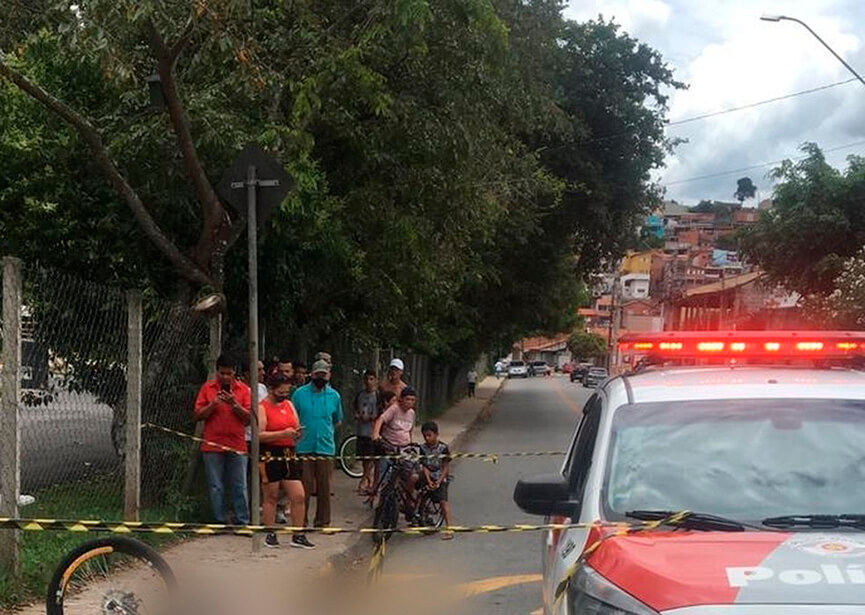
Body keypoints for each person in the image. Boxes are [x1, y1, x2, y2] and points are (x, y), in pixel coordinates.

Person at [258, 373, 315, 550]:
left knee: (298, 495)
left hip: (289, 451)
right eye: (280, 392)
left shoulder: (289, 404)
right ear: (271, 389)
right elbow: (259, 434)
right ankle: (270, 533)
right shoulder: (262, 407)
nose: (284, 396)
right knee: (271, 495)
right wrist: (282, 434)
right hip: (269, 452)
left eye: (286, 392)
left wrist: (297, 434)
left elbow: (295, 426)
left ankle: (298, 534)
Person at [193, 354, 251, 525]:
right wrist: (213, 404)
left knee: (239, 485)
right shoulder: (208, 388)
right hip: (212, 445)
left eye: (229, 373)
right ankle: (220, 521)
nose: (225, 377)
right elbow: (197, 415)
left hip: (237, 444)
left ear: (234, 372)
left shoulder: (243, 390)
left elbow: (249, 419)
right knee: (216, 486)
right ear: (217, 372)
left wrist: (235, 404)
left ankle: (242, 521)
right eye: (222, 373)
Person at [292, 359, 342, 528]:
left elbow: (337, 420)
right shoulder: (299, 394)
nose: (321, 377)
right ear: (312, 375)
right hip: (304, 446)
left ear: (329, 376)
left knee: (324, 488)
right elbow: (293, 417)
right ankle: (301, 521)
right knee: (303, 487)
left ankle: (322, 522)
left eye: (324, 374)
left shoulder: (334, 396)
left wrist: (326, 431)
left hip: (325, 447)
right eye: (318, 374)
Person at [372, 386, 419, 520]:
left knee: (411, 476)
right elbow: (380, 420)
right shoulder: (394, 409)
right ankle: (382, 507)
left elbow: (410, 431)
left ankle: (408, 503)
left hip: (405, 449)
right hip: (390, 448)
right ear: (401, 399)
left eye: (412, 400)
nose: (410, 402)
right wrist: (376, 435)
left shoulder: (411, 414)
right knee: (386, 479)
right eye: (407, 399)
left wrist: (411, 444)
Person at [419, 421, 454, 539]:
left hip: (440, 476)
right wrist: (429, 481)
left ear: (436, 434)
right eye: (425, 436)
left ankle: (449, 528)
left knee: (443, 502)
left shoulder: (443, 448)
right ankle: (416, 512)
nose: (427, 438)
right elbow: (424, 467)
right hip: (428, 474)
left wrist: (439, 481)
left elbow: (445, 467)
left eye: (429, 435)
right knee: (414, 482)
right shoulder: (422, 448)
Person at [353, 369, 381, 494]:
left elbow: (381, 414)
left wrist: (370, 417)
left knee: (370, 457)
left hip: (372, 432)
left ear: (375, 380)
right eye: (367, 379)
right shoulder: (360, 395)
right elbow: (354, 408)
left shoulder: (378, 396)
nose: (369, 382)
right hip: (361, 431)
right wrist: (357, 415)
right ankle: (368, 478)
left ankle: (364, 480)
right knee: (364, 458)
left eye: (371, 379)